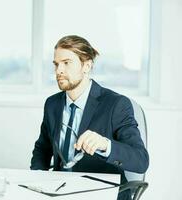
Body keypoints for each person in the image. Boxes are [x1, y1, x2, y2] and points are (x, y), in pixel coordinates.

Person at [30, 35, 149, 200]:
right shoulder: (52, 104)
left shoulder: (116, 104)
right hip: (61, 191)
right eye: (56, 64)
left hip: (101, 193)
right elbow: (42, 149)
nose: (59, 71)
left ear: (86, 65)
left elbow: (140, 160)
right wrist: (38, 180)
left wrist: (105, 145)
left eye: (66, 63)